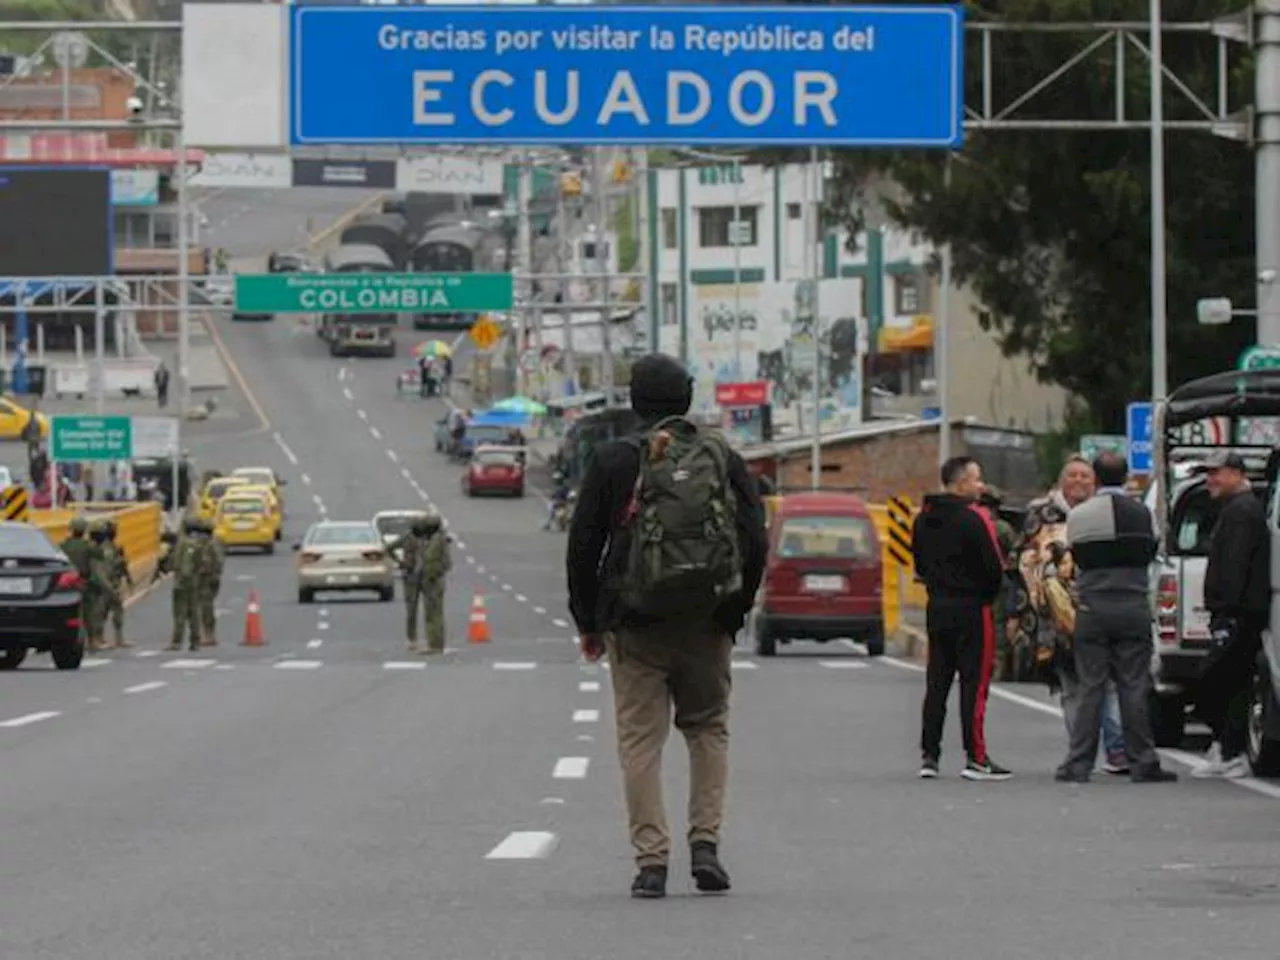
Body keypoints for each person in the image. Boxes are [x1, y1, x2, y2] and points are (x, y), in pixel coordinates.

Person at [567, 352, 767, 900]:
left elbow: (583, 546)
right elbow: (755, 537)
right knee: (707, 729)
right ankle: (706, 844)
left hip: (634, 625)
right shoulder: (720, 456)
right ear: (686, 399)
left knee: (640, 742)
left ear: (635, 401)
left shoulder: (613, 461)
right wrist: (735, 609)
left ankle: (652, 861)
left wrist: (589, 619)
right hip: (707, 620)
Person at [1056, 453, 1177, 783]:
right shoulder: (1144, 514)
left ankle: (1077, 764)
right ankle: (1143, 762)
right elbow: (1152, 553)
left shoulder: (1080, 516)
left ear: (1095, 477)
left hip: (1093, 607)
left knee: (1090, 687)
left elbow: (1075, 556)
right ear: (1126, 478)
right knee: (1134, 686)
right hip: (1133, 604)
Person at [1011, 455, 1128, 773]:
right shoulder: (1041, 513)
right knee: (1072, 685)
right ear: (1062, 480)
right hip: (1055, 615)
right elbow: (1021, 560)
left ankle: (1117, 749)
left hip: (1100, 607)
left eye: (1086, 476)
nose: (1079, 481)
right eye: (1073, 475)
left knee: (1109, 681)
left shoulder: (1103, 512)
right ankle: (1081, 750)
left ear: (1096, 483)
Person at [913, 455, 1010, 781]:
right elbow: (994, 569)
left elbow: (920, 565)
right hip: (972, 608)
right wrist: (986, 597)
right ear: (960, 483)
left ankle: (930, 755)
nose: (981, 485)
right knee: (974, 684)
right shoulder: (975, 518)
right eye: (976, 479)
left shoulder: (923, 518)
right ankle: (976, 757)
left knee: (936, 682)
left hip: (936, 605)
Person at [1194, 450, 1270, 779]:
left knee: (1217, 680)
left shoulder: (1242, 511)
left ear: (1237, 474)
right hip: (1237, 612)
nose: (1210, 480)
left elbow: (1236, 565)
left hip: (1238, 614)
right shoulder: (1239, 508)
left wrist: (1228, 610)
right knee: (1231, 682)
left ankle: (1231, 749)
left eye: (1216, 473)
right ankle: (1226, 746)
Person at [391, 513, 451, 655]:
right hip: (415, 577)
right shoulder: (413, 538)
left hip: (431, 579)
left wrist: (436, 572)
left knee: (433, 612)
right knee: (416, 611)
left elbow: (445, 562)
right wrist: (402, 563)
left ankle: (436, 644)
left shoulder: (438, 540)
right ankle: (421, 640)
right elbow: (389, 547)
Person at [168, 516, 206, 652]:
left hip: (182, 582)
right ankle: (195, 641)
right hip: (195, 581)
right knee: (194, 612)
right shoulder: (199, 543)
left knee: (180, 613)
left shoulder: (183, 543)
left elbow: (183, 565)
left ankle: (177, 642)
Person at [102, 519, 135, 649]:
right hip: (107, 584)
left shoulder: (115, 547)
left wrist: (128, 579)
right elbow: (109, 567)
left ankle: (119, 639)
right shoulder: (105, 549)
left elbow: (123, 567)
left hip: (114, 583)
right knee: (102, 613)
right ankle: (99, 638)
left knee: (117, 612)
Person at [84, 522, 116, 652]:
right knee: (95, 613)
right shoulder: (95, 550)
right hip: (93, 585)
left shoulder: (89, 547)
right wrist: (109, 587)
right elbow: (98, 571)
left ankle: (96, 639)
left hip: (90, 584)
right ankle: (94, 640)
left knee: (96, 613)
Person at [196, 518, 224, 647]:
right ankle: (205, 634)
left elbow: (217, 563)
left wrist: (213, 576)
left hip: (208, 579)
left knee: (207, 608)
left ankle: (209, 635)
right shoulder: (204, 545)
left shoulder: (212, 545)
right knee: (202, 607)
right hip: (202, 579)